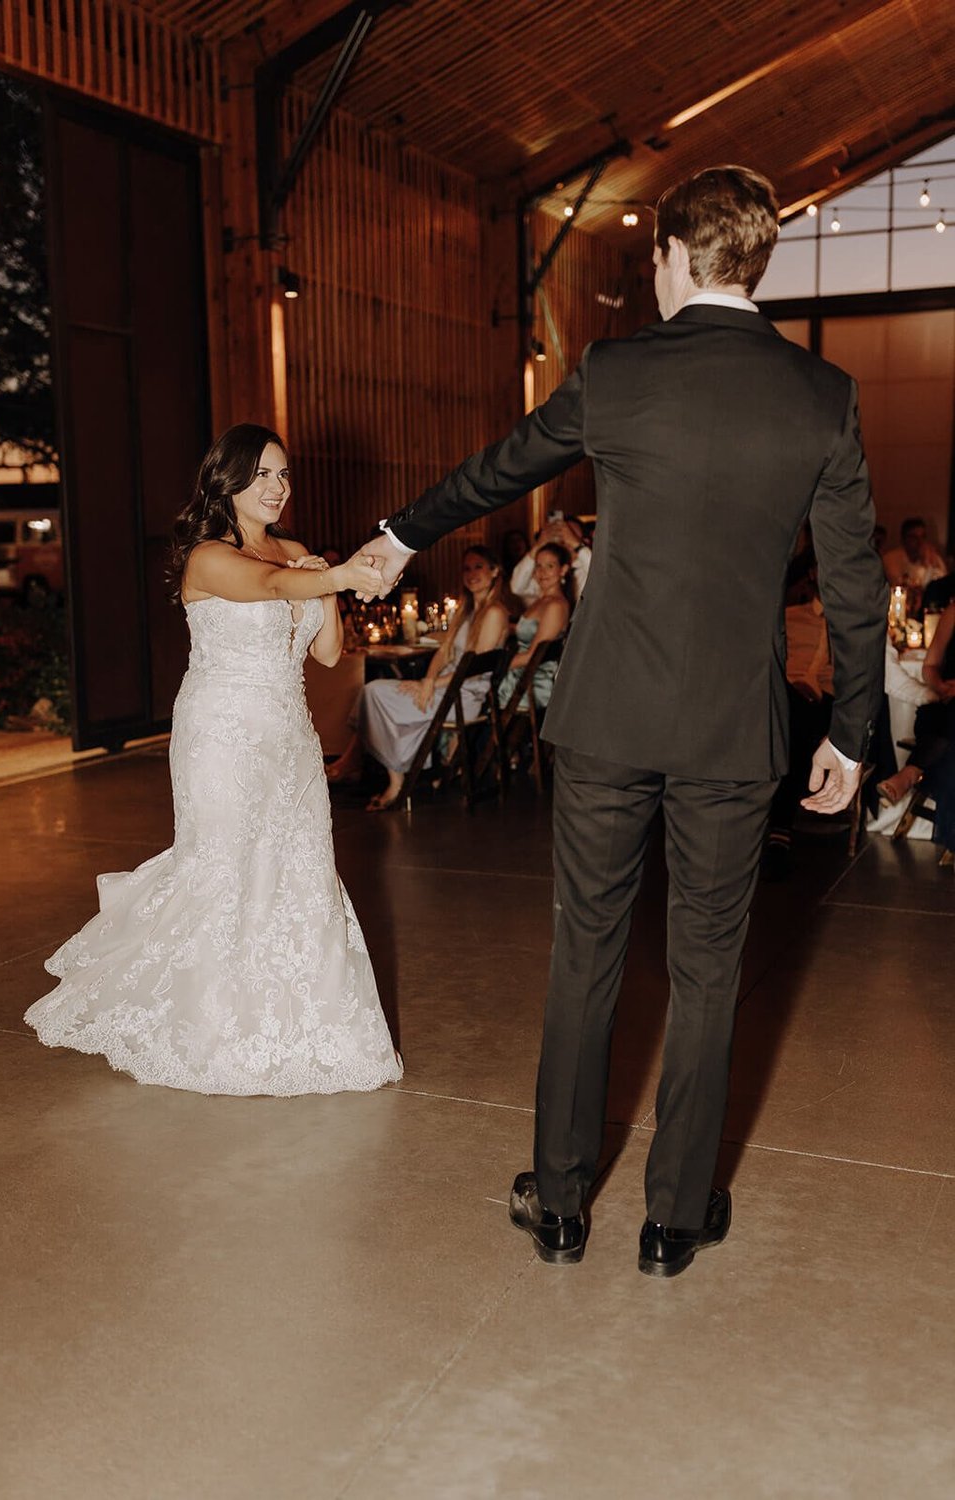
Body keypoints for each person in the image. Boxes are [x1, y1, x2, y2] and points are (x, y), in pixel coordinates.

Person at [362, 166, 886, 1275]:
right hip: (733, 735)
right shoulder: (819, 396)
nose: (648, 273)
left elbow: (499, 469)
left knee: (584, 954)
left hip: (606, 720)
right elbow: (852, 579)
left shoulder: (616, 371)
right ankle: (673, 1219)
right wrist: (849, 731)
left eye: (651, 257)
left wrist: (401, 534)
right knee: (707, 968)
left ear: (679, 255)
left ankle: (558, 1206)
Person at [25, 424, 403, 1096]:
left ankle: (301, 1031)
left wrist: (327, 584)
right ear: (225, 480)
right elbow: (262, 586)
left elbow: (322, 653)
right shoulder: (207, 557)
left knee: (298, 869)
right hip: (221, 735)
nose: (278, 487)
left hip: (287, 736)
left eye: (284, 475)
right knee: (224, 870)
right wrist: (331, 573)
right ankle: (209, 1031)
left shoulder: (294, 553)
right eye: (262, 474)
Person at [333, 546, 512, 810]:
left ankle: (390, 777)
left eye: (479, 567)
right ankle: (391, 771)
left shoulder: (495, 612)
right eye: (466, 568)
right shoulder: (467, 609)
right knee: (373, 693)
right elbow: (445, 651)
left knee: (374, 693)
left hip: (464, 695)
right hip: (445, 686)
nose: (471, 574)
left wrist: (430, 684)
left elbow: (472, 668)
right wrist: (427, 679)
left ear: (495, 571)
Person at [761, 577, 835, 881]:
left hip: (828, 700)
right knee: (793, 716)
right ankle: (778, 833)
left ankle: (778, 830)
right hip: (788, 693)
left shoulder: (849, 623)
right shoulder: (791, 615)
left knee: (801, 724)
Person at [877, 599, 955, 807]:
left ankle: (910, 774)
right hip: (945, 704)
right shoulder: (953, 612)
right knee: (939, 715)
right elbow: (929, 666)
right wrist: (940, 686)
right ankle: (911, 775)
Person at [498, 541, 572, 714]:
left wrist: (495, 667)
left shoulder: (556, 606)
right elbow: (529, 631)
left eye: (550, 566)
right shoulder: (541, 601)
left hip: (530, 684)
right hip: (521, 676)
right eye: (538, 565)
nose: (541, 572)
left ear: (563, 570)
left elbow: (533, 656)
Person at [511, 514, 591, 604]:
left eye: (571, 534)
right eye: (561, 533)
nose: (564, 538)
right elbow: (517, 587)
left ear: (585, 541)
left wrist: (576, 544)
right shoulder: (550, 572)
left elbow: (602, 574)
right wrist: (539, 544)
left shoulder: (588, 568)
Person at [882, 517, 947, 592]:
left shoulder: (933, 558)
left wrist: (928, 565)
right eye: (914, 538)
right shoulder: (891, 559)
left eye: (923, 537)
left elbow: (943, 585)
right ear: (903, 539)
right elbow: (900, 585)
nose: (920, 542)